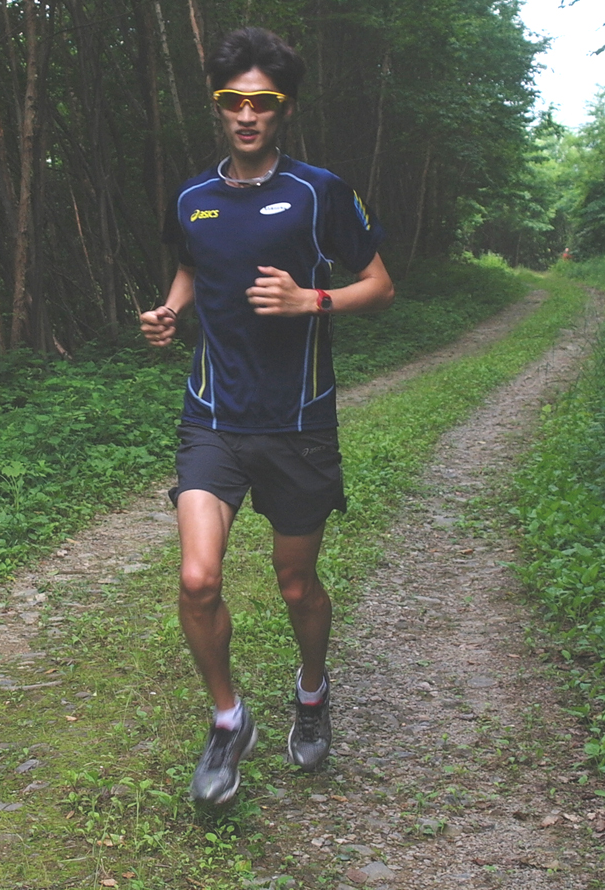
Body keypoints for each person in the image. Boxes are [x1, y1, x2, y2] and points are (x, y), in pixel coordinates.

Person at [140, 27, 394, 806]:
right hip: (212, 417)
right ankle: (228, 719)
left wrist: (309, 300)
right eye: (232, 101)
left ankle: (311, 693)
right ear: (217, 106)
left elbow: (380, 284)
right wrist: (171, 310)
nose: (246, 115)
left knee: (295, 585)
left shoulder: (320, 190)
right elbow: (191, 259)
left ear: (283, 109)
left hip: (299, 423)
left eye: (263, 103)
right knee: (196, 578)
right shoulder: (193, 197)